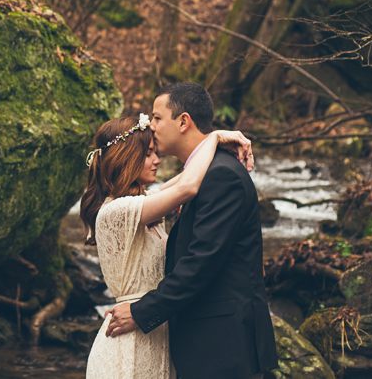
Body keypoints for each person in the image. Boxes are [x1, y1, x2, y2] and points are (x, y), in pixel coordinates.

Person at [103, 82, 278, 379]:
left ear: (183, 121)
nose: (151, 126)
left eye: (157, 118)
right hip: (206, 344)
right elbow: (175, 190)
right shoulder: (203, 173)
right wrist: (216, 138)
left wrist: (141, 311)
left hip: (224, 346)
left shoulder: (222, 175)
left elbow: (201, 262)